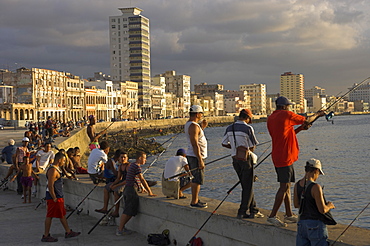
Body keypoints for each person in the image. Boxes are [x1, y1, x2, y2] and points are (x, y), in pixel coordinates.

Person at [266, 96, 325, 227]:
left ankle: (288, 214)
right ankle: (272, 216)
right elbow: (307, 119)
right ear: (285, 106)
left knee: (287, 186)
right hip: (285, 157)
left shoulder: (271, 118)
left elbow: (286, 134)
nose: (289, 108)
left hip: (277, 155)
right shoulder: (287, 115)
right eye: (288, 106)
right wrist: (318, 114)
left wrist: (300, 129)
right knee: (284, 187)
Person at [221, 109, 264, 219]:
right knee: (248, 186)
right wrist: (245, 150)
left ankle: (253, 209)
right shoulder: (248, 128)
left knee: (246, 185)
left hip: (235, 159)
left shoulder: (230, 127)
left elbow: (224, 143)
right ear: (247, 117)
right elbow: (253, 145)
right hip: (246, 160)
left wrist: (235, 148)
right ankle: (242, 211)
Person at [294, 158, 336, 246]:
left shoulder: (297, 185)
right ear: (316, 170)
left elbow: (296, 205)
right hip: (315, 225)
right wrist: (329, 205)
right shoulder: (316, 187)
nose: (318, 176)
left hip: (301, 224)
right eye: (319, 173)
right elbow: (322, 210)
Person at [41, 152, 81, 242]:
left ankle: (68, 231)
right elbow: (50, 185)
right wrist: (54, 197)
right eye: (63, 161)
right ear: (59, 160)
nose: (63, 162)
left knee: (62, 214)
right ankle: (46, 235)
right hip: (54, 197)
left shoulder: (56, 169)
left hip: (58, 196)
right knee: (50, 216)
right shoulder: (53, 171)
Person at [117, 151, 156, 236]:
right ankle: (120, 229)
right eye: (144, 158)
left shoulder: (132, 166)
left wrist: (141, 188)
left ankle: (121, 228)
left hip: (127, 189)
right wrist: (149, 191)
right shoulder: (137, 167)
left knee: (129, 210)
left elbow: (135, 179)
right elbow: (142, 179)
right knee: (128, 211)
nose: (145, 160)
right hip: (131, 190)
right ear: (140, 158)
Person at [184, 105, 208, 208]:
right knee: (197, 179)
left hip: (194, 155)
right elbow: (195, 143)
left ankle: (196, 199)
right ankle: (194, 201)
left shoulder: (191, 125)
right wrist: (200, 159)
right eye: (201, 114)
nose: (202, 115)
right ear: (197, 114)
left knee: (197, 178)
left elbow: (196, 137)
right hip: (195, 156)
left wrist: (202, 128)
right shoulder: (193, 126)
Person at [95, 151, 129, 217]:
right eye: (121, 157)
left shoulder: (128, 166)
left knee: (116, 191)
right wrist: (113, 184)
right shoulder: (120, 166)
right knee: (106, 188)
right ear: (119, 158)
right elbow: (119, 178)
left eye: (124, 157)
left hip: (127, 183)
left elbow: (128, 180)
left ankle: (116, 212)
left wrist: (116, 185)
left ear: (127, 158)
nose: (123, 159)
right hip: (121, 181)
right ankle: (105, 208)